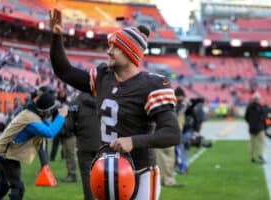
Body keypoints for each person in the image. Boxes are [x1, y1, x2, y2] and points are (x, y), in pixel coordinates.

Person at [49, 9, 181, 199]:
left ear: (130, 52)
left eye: (115, 47)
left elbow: (172, 134)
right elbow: (64, 71)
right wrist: (56, 36)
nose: (109, 51)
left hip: (140, 171)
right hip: (106, 168)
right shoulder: (103, 77)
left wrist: (133, 141)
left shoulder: (151, 85)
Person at [0, 92, 68, 200]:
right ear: (46, 111)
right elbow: (49, 132)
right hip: (6, 154)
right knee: (18, 187)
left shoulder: (33, 112)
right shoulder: (30, 118)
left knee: (4, 183)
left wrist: (57, 116)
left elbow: (47, 125)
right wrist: (61, 116)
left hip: (4, 151)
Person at [72, 92, 101, 199]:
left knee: (87, 177)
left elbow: (69, 126)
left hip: (84, 144)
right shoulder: (105, 96)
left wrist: (78, 133)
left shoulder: (76, 101)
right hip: (103, 145)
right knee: (105, 177)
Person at [245, 92, 266, 164]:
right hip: (259, 127)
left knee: (252, 143)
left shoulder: (249, 107)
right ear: (258, 99)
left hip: (252, 127)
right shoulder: (260, 107)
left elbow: (246, 117)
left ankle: (252, 157)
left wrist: (250, 123)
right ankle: (260, 154)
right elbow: (263, 117)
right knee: (262, 141)